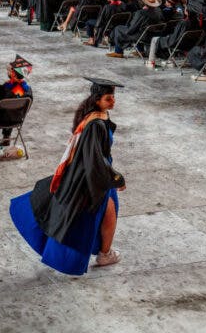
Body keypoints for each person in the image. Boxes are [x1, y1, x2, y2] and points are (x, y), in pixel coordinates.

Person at [9, 77, 127, 275]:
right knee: (95, 216)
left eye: (113, 97)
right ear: (98, 100)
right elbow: (95, 159)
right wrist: (115, 178)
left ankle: (105, 252)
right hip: (92, 177)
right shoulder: (95, 124)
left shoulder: (95, 116)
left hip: (92, 173)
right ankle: (104, 254)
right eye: (108, 98)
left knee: (101, 213)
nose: (113, 101)